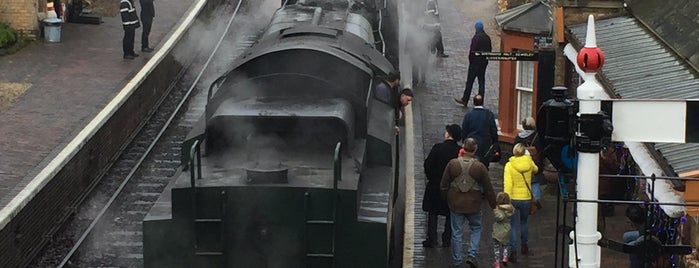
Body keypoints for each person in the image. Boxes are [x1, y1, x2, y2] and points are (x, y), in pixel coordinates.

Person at [440, 138, 496, 268]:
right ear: (475, 149)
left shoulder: (452, 164)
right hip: (474, 203)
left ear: (463, 148)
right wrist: (494, 205)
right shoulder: (479, 166)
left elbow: (444, 184)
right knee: (476, 228)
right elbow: (488, 188)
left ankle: (457, 261)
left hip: (455, 203)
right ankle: (471, 254)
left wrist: (447, 199)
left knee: (456, 233)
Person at [422, 124, 462, 248]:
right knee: (450, 213)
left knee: (432, 212)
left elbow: (428, 165)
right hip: (452, 187)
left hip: (435, 185)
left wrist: (431, 178)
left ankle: (432, 239)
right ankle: (447, 239)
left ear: (448, 134)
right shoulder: (459, 151)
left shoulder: (438, 148)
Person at [503, 143, 539, 263]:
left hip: (513, 198)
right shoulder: (529, 162)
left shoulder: (509, 165)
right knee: (524, 222)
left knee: (513, 225)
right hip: (526, 198)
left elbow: (508, 184)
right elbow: (536, 169)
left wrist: (506, 200)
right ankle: (524, 244)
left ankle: (513, 251)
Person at [455, 20, 492, 106]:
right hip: (483, 63)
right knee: (481, 82)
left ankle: (465, 99)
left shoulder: (476, 38)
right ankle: (480, 101)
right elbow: (490, 50)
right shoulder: (487, 38)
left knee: (470, 82)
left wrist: (471, 61)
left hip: (475, 63)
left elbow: (472, 50)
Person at [460, 95, 498, 167]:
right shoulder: (489, 114)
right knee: (483, 163)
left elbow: (464, 131)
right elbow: (493, 129)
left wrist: (464, 142)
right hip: (485, 144)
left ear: (474, 103)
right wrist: (495, 141)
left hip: (471, 144)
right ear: (482, 102)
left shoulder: (468, 115)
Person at [514, 117, 542, 199]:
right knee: (535, 183)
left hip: (520, 164)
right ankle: (535, 202)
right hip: (533, 163)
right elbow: (540, 150)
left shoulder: (518, 138)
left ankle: (524, 198)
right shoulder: (537, 136)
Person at [492, 192, 514, 268]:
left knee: (496, 247)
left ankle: (497, 262)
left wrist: (495, 212)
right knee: (505, 245)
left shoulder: (498, 210)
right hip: (507, 229)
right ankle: (505, 257)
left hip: (498, 231)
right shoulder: (511, 209)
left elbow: (499, 217)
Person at [623, 204, 646, 268]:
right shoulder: (642, 222)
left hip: (650, 238)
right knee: (626, 236)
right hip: (644, 234)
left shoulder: (643, 228)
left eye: (629, 222)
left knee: (632, 247)